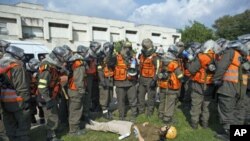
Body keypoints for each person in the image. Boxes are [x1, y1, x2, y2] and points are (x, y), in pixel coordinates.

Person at [213, 40, 248, 141]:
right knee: (237, 112)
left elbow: (221, 67)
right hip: (241, 89)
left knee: (226, 110)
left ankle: (228, 135)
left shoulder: (231, 52)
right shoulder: (245, 57)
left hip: (228, 87)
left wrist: (216, 79)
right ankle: (238, 135)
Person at [37, 46, 71, 141]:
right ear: (57, 57)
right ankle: (51, 136)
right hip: (46, 96)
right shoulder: (47, 68)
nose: (64, 59)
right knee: (51, 117)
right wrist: (47, 100)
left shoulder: (53, 66)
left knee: (54, 114)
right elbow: (42, 86)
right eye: (63, 57)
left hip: (52, 95)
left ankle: (55, 130)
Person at [0, 46, 31, 141]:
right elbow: (22, 87)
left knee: (10, 125)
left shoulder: (1, 66)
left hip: (4, 100)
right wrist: (26, 101)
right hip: (17, 101)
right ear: (16, 56)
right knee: (23, 125)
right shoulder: (17, 68)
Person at [187, 40, 217, 129]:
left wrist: (189, 62)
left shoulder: (201, 56)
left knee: (196, 104)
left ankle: (194, 124)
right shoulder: (218, 56)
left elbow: (192, 70)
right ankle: (205, 124)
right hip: (210, 84)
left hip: (198, 84)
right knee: (206, 105)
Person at [112, 41, 138, 121]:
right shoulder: (116, 58)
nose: (127, 50)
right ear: (122, 48)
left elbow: (137, 69)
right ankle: (121, 117)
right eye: (125, 48)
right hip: (120, 83)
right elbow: (109, 65)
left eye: (129, 48)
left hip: (131, 83)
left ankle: (134, 115)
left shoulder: (133, 58)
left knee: (133, 100)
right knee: (120, 101)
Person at [85, 120, 177, 141]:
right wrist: (145, 124)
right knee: (113, 121)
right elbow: (149, 127)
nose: (165, 126)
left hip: (129, 131)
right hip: (132, 124)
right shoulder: (158, 128)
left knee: (109, 126)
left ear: (166, 133)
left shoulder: (156, 137)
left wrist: (138, 131)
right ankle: (96, 123)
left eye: (166, 127)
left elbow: (142, 140)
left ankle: (89, 126)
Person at [157, 51, 183, 124]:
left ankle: (160, 115)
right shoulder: (174, 65)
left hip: (162, 86)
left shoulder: (162, 65)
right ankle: (167, 118)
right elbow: (180, 76)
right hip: (172, 88)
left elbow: (159, 74)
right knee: (170, 103)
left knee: (162, 101)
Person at [138, 38, 160, 116]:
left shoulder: (155, 56)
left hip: (151, 79)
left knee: (151, 97)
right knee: (140, 96)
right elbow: (139, 66)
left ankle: (149, 113)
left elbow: (158, 68)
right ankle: (141, 111)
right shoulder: (141, 55)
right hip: (142, 78)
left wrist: (154, 79)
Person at [67, 49, 86, 135]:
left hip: (72, 89)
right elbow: (79, 79)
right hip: (76, 90)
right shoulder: (79, 65)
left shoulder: (73, 63)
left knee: (73, 109)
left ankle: (73, 127)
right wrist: (82, 91)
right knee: (76, 110)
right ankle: (74, 131)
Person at [97, 42, 115, 119]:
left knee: (110, 96)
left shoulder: (112, 57)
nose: (110, 50)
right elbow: (99, 69)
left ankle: (107, 110)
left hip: (110, 78)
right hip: (104, 79)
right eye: (109, 49)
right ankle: (104, 112)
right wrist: (102, 80)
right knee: (104, 96)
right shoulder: (100, 57)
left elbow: (112, 65)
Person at [26, 58, 45, 125]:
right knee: (31, 107)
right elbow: (27, 83)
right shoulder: (26, 72)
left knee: (40, 106)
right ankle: (32, 119)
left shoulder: (38, 71)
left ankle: (42, 118)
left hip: (37, 91)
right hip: (30, 92)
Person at [85, 42, 102, 113]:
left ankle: (93, 107)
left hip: (94, 76)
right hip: (88, 76)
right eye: (97, 48)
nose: (97, 49)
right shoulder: (87, 54)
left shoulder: (94, 55)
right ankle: (87, 109)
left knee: (94, 93)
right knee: (88, 94)